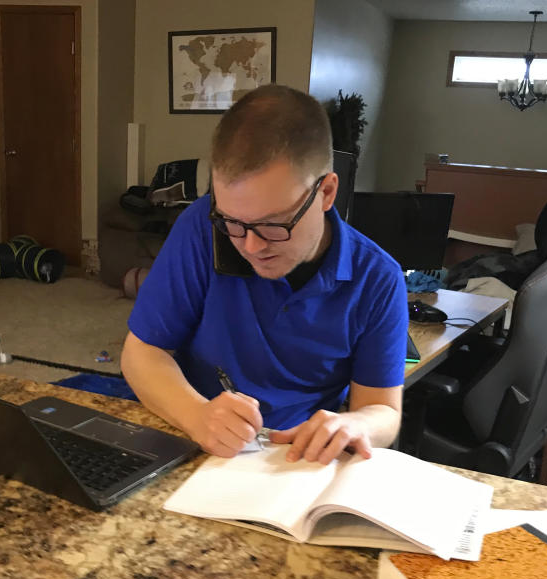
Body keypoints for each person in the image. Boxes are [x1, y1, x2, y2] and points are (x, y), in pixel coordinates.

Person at [122, 84, 408, 464]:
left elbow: (384, 411)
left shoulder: (378, 279)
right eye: (233, 223)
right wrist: (197, 416)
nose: (252, 246)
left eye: (274, 225)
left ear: (326, 192)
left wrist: (357, 425)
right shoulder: (202, 228)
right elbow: (141, 353)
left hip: (295, 463)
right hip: (198, 440)